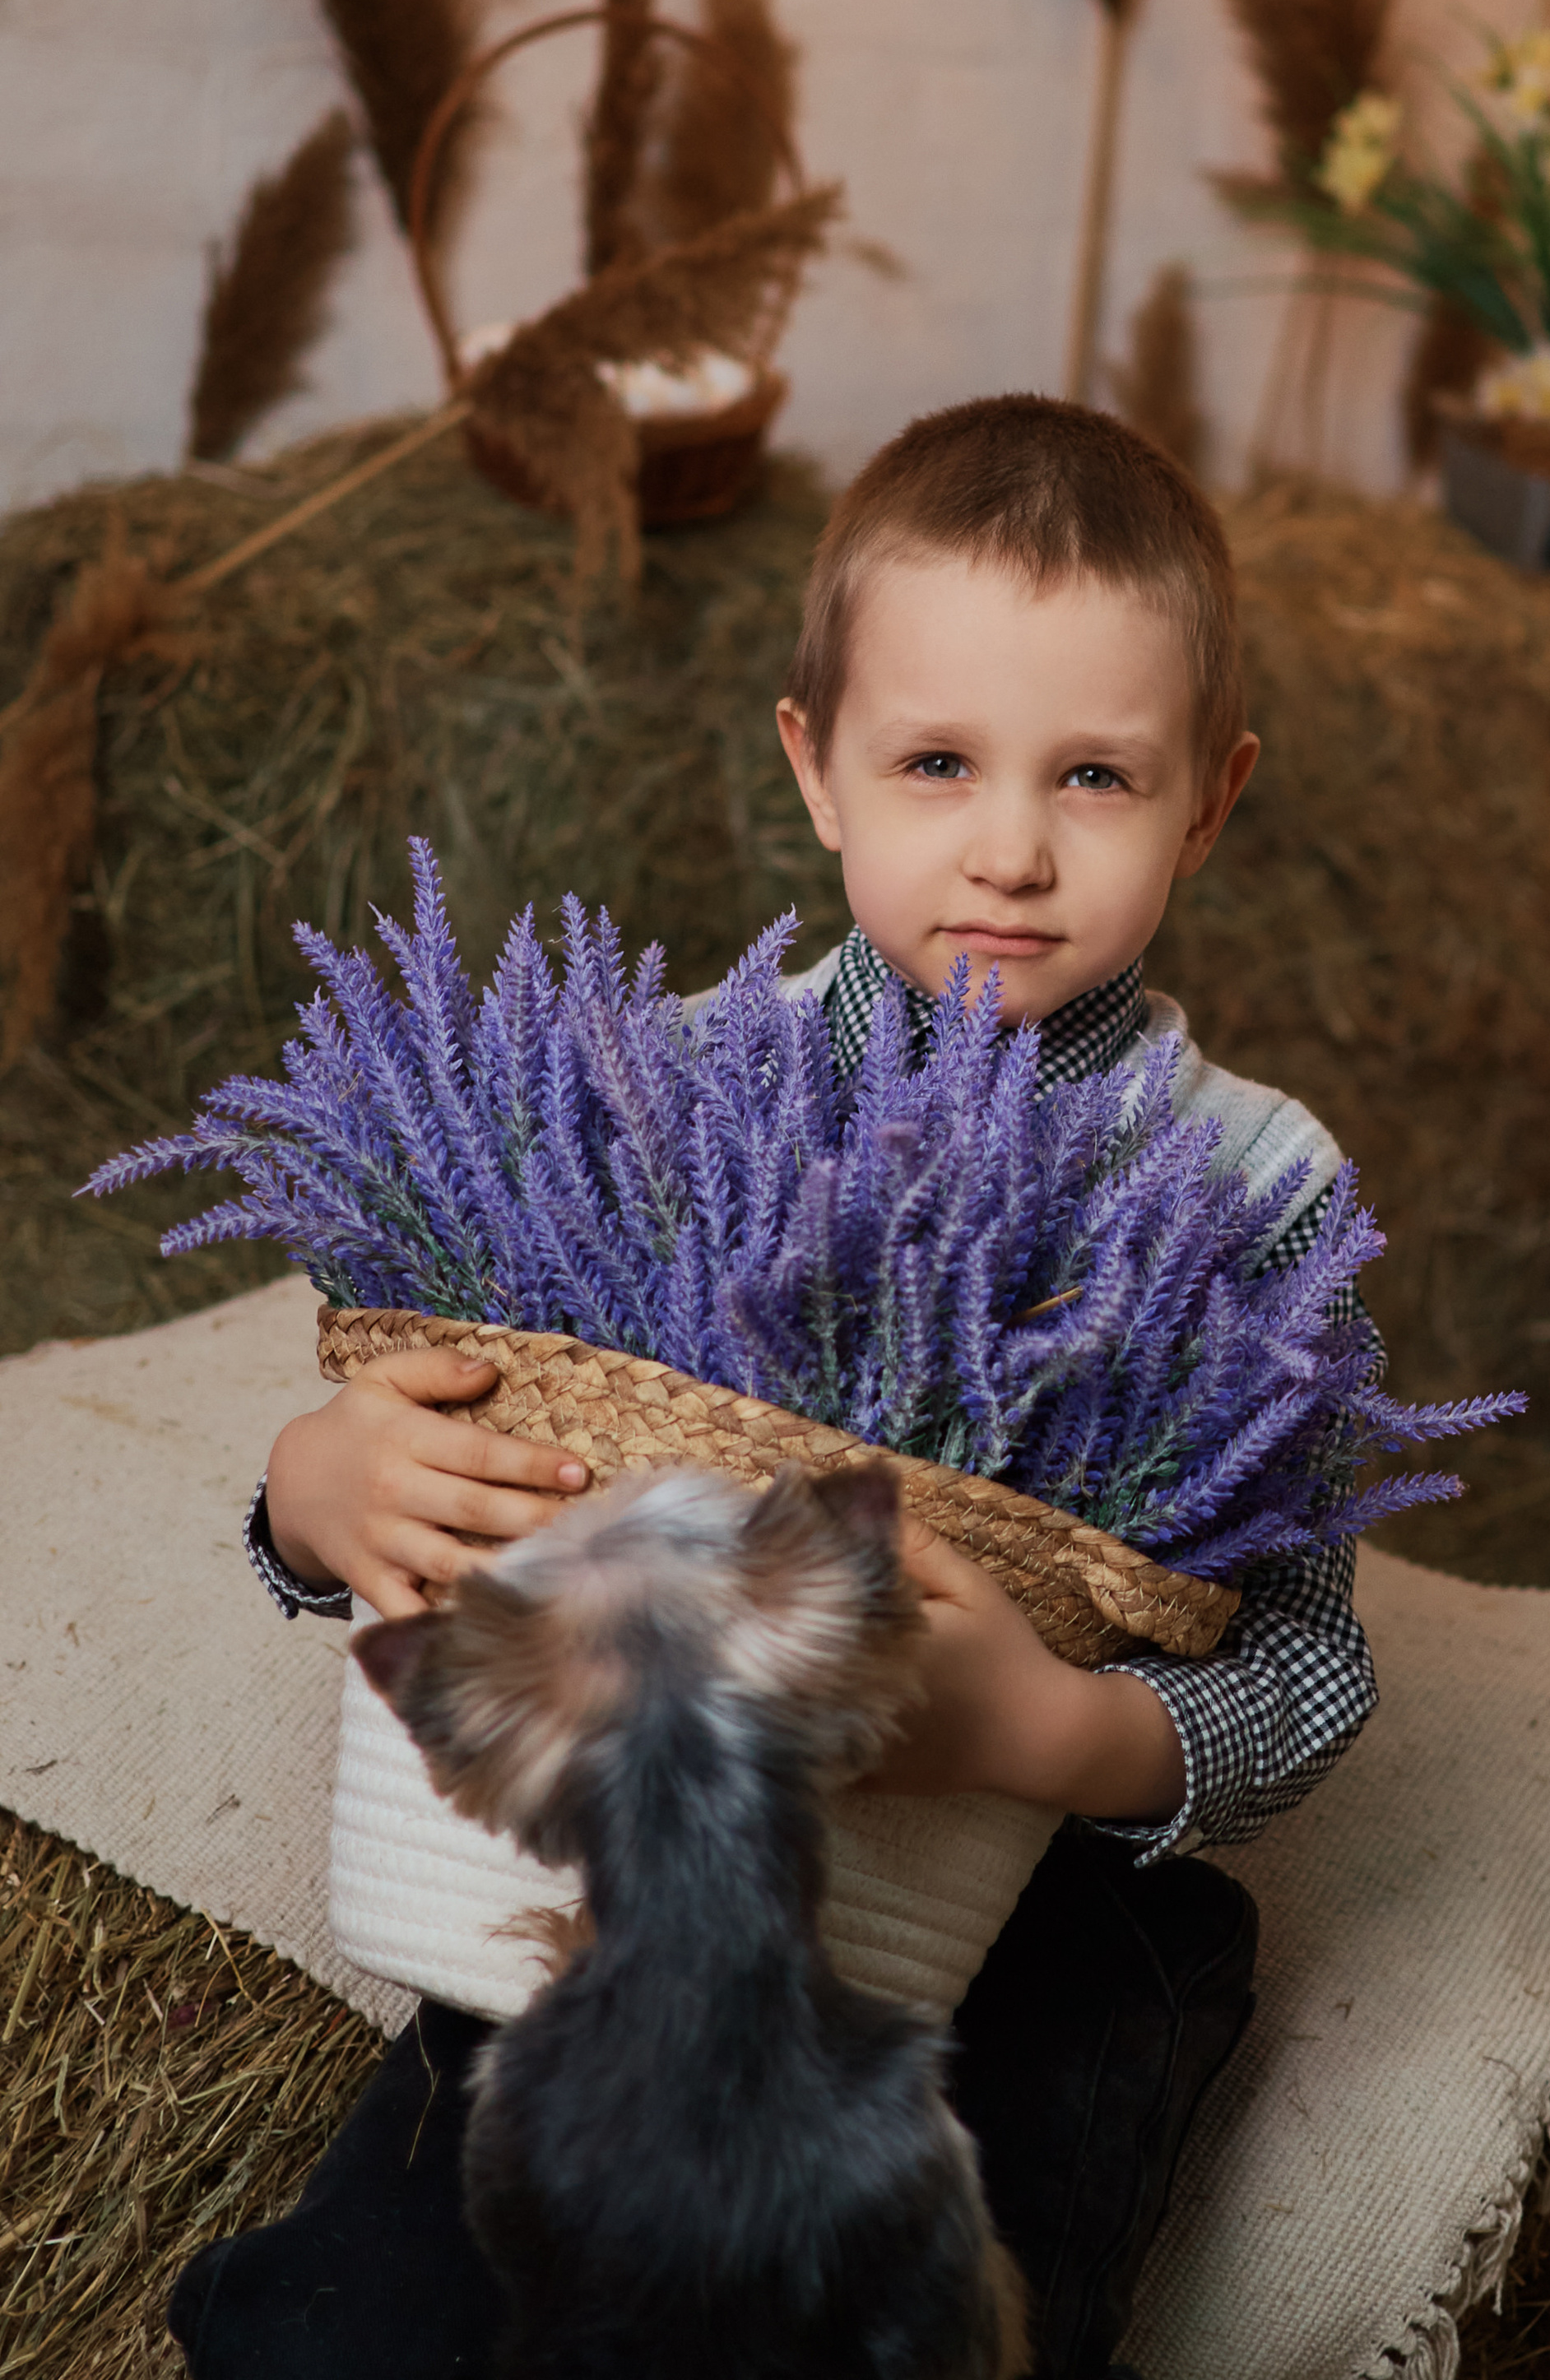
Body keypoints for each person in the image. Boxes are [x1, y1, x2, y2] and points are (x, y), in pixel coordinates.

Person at [172, 394, 1378, 2380]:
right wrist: (316, 1499)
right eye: (934, 762)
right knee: (363, 2316)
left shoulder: (1256, 1196)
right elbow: (473, 1452)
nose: (1008, 845)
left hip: (994, 1911)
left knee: (948, 2260)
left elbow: (1311, 1665)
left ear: (1209, 801)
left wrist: (1049, 1730)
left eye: (1094, 775)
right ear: (816, 774)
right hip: (627, 1866)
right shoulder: (655, 1087)